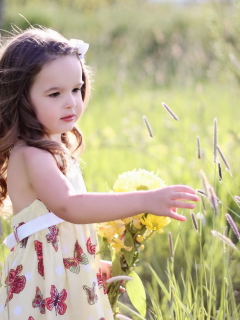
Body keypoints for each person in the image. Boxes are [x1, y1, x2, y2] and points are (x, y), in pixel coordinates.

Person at [0, 27, 199, 320]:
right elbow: (69, 206)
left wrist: (88, 262)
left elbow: (59, 226)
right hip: (43, 283)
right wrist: (145, 200)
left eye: (76, 89)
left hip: (65, 273)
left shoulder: (54, 144)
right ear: (21, 98)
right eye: (54, 93)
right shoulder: (31, 154)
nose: (71, 102)